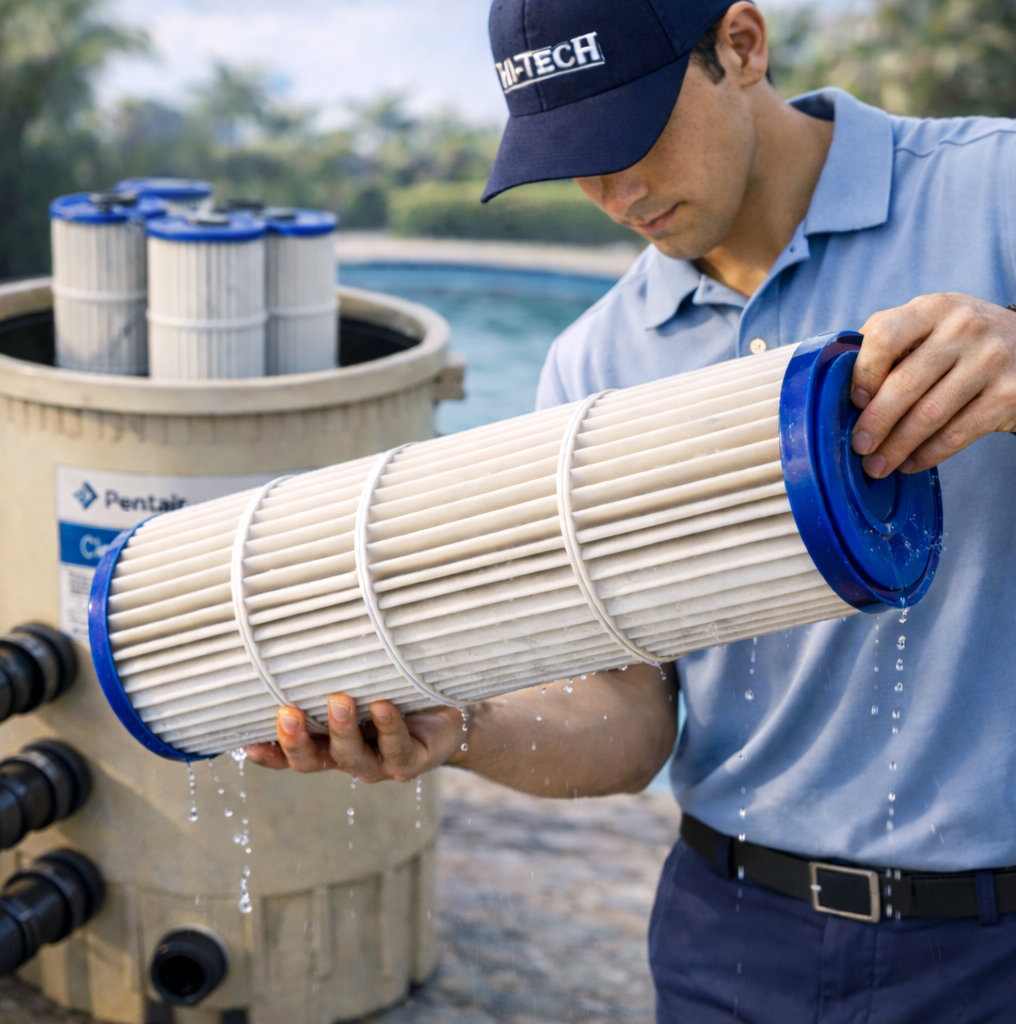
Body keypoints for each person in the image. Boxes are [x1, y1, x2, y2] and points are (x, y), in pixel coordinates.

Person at [247, 1, 1016, 1019]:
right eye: (573, 154)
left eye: (631, 133)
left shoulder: (993, 189)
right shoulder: (592, 367)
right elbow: (631, 717)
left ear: (740, 45)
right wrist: (459, 726)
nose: (613, 192)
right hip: (731, 940)